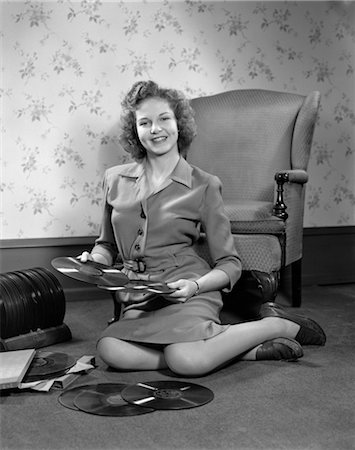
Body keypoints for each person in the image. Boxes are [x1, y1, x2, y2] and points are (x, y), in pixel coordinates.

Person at [79, 80, 325, 377]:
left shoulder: (204, 184)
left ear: (179, 124)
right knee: (110, 351)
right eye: (144, 122)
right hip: (139, 298)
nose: (155, 129)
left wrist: (194, 286)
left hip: (188, 290)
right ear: (135, 131)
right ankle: (232, 350)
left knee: (187, 361)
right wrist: (92, 263)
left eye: (164, 119)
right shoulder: (114, 179)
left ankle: (275, 325)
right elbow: (105, 246)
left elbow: (230, 264)